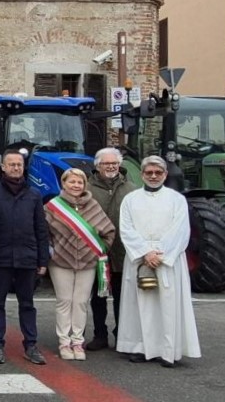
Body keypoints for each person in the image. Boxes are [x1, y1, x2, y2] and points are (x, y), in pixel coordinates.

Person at [117, 156, 201, 368]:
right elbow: (126, 229)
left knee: (167, 305)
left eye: (158, 173)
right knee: (140, 305)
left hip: (167, 260)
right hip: (139, 258)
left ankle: (167, 350)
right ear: (142, 174)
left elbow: (181, 230)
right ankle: (139, 347)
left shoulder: (177, 199)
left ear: (165, 174)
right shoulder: (131, 199)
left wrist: (159, 254)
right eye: (149, 173)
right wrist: (145, 252)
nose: (153, 176)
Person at [0, 149, 49, 365]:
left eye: (19, 164)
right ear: (3, 167)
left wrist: (42, 261)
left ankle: (31, 345)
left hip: (27, 258)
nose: (15, 168)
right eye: (11, 164)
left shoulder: (33, 195)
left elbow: (41, 230)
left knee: (27, 304)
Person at [45, 169, 115, 362]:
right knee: (64, 301)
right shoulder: (52, 207)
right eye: (72, 182)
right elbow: (44, 232)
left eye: (80, 182)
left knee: (81, 302)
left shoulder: (93, 205)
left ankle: (77, 341)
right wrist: (52, 251)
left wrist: (99, 250)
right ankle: (64, 342)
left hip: (88, 262)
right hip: (60, 262)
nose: (76, 186)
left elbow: (108, 231)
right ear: (64, 183)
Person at [86, 147, 137, 351]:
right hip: (96, 253)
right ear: (97, 166)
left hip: (122, 253)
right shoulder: (86, 189)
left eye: (114, 163)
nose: (111, 167)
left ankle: (121, 334)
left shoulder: (132, 189)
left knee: (121, 297)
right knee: (97, 296)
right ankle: (100, 335)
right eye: (106, 163)